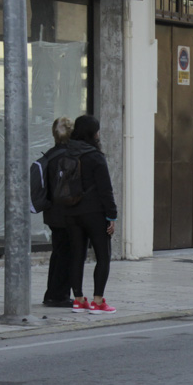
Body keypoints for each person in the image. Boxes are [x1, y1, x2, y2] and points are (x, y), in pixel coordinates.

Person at [64, 115, 118, 314]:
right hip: (94, 212)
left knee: (76, 255)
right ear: (93, 133)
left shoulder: (66, 154)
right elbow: (106, 189)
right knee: (103, 256)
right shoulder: (95, 156)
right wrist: (112, 216)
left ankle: (78, 299)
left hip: (71, 212)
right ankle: (97, 301)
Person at [41, 117, 74, 307]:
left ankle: (52, 293)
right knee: (67, 254)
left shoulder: (50, 155)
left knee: (59, 252)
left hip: (52, 213)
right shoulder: (69, 157)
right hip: (67, 213)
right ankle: (59, 295)